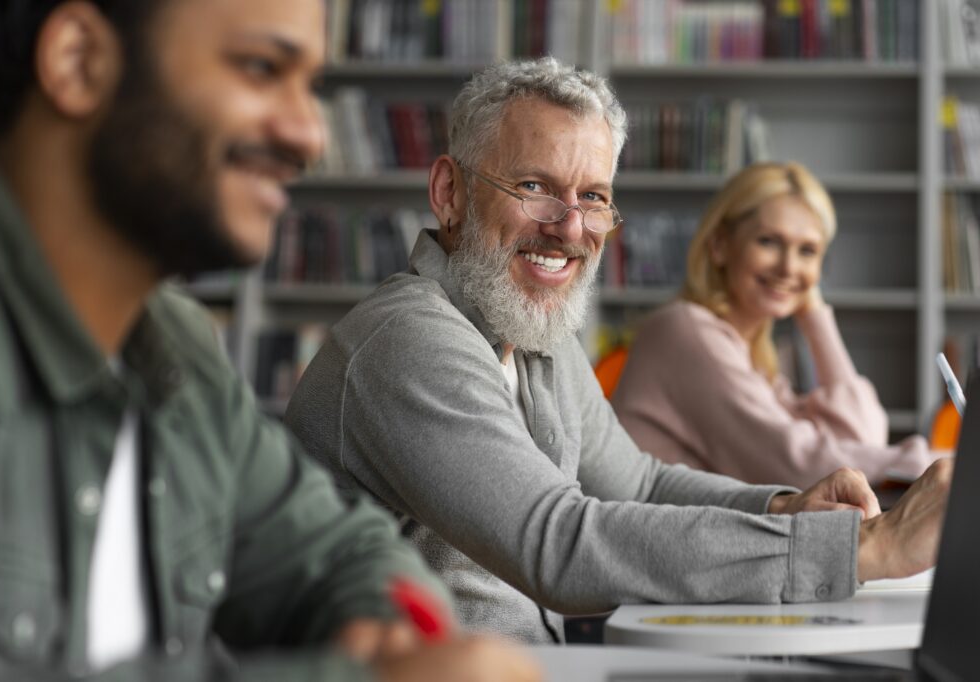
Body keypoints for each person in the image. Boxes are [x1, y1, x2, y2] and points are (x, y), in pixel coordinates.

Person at [0, 1, 541, 680]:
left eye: (309, 86)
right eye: (261, 68)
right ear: (79, 61)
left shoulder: (172, 350)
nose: (308, 135)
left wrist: (391, 632)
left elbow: (344, 552)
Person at [286, 57, 952, 644]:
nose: (570, 227)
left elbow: (641, 484)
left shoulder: (534, 332)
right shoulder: (408, 341)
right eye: (534, 187)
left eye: (594, 197)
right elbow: (559, 544)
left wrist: (781, 508)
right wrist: (863, 547)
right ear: (450, 193)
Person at [610, 162, 938, 489]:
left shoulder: (753, 355)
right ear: (720, 245)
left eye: (807, 251)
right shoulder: (685, 331)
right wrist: (932, 464)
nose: (789, 267)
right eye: (768, 241)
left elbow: (863, 439)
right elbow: (798, 466)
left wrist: (814, 315)